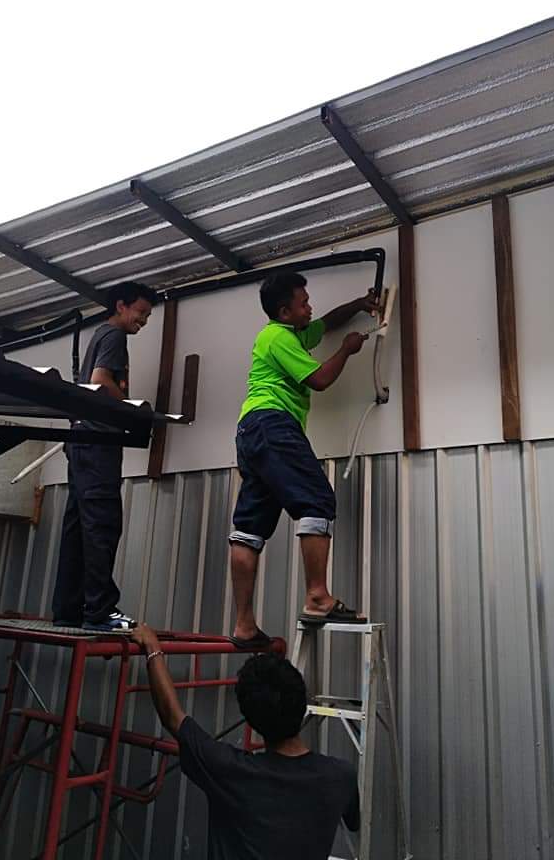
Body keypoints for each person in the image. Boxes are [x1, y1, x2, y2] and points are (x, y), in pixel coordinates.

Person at [228, 272, 378, 648]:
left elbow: (326, 323)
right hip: (273, 424)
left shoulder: (291, 333)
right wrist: (346, 349)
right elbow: (321, 379)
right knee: (316, 500)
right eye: (303, 303)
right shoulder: (277, 337)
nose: (310, 307)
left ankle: (244, 624)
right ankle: (317, 597)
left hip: (252, 432)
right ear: (284, 312)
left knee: (250, 526)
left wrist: (360, 304)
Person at [132, 622, 360, 860]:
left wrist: (152, 647)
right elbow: (354, 822)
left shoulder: (230, 771)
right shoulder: (341, 776)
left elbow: (172, 716)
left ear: (250, 720)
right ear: (302, 704)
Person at [51, 280, 157, 632]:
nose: (144, 320)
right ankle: (99, 610)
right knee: (102, 523)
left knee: (78, 525)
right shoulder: (114, 336)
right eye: (140, 312)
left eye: (148, 315)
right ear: (121, 306)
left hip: (82, 440)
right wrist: (130, 411)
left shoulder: (100, 334)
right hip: (97, 442)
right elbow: (100, 380)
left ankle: (68, 609)